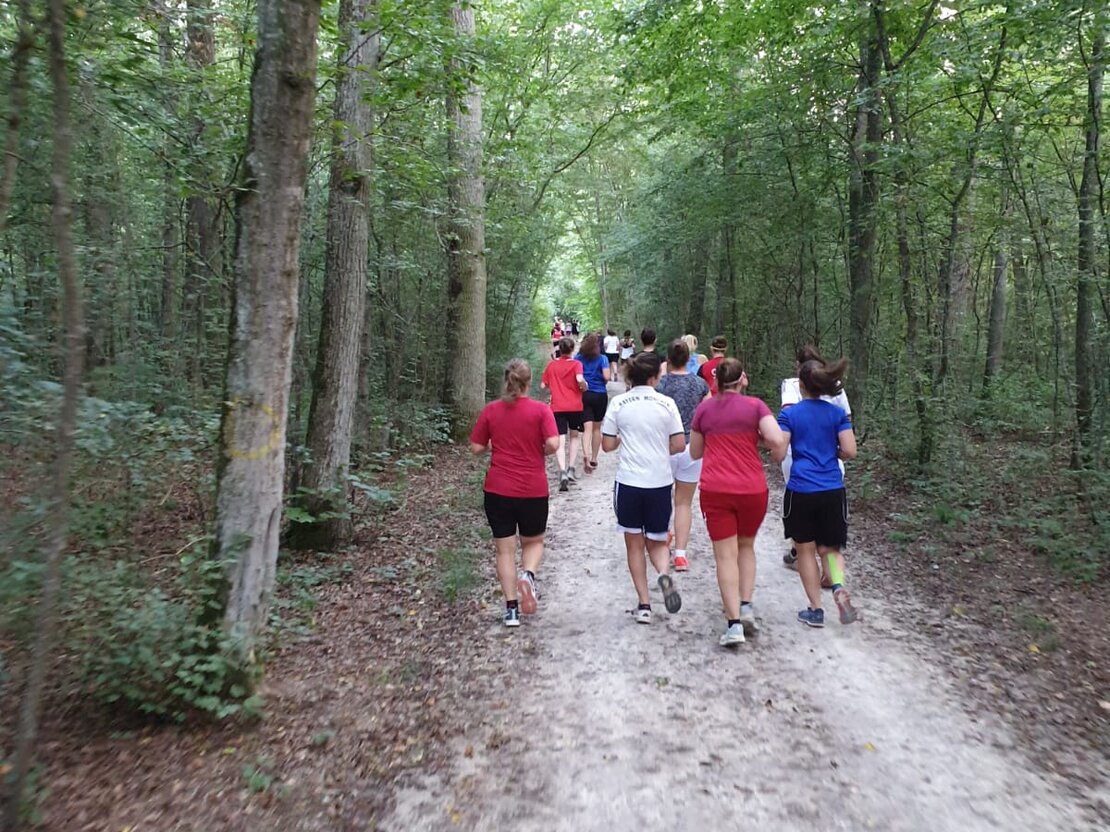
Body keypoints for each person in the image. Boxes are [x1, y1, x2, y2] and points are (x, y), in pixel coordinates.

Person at [689, 358, 786, 646]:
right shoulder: (756, 407)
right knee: (746, 547)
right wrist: (759, 440)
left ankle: (733, 626)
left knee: (724, 556)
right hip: (752, 489)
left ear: (716, 381)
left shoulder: (704, 409)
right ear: (742, 379)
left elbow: (695, 452)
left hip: (716, 489)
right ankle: (745, 607)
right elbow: (777, 439)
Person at [469, 360, 561, 627]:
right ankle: (528, 575)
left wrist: (493, 444)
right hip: (533, 488)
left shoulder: (491, 410)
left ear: (506, 380)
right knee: (533, 542)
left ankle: (511, 610)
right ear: (529, 382)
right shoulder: (541, 410)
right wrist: (538, 449)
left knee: (504, 551)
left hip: (498, 490)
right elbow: (553, 443)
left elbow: (476, 448)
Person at [601, 351, 685, 624]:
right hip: (659, 481)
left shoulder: (619, 403)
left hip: (629, 482)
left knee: (634, 545)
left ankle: (645, 605)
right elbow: (678, 444)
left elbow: (607, 445)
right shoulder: (667, 404)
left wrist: (623, 438)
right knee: (658, 541)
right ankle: (663, 574)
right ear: (654, 377)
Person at [778, 356, 860, 628]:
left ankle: (815, 609)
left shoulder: (790, 415)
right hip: (832, 489)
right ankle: (837, 586)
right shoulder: (837, 414)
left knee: (805, 550)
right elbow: (850, 450)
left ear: (801, 385)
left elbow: (780, 450)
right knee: (830, 548)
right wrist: (831, 452)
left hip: (801, 488)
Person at [656, 339, 709, 572]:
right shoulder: (700, 384)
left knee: (662, 498)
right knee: (684, 503)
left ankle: (663, 541)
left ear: (667, 360)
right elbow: (707, 413)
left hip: (665, 447)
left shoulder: (660, 384)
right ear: (689, 359)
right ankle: (680, 555)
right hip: (691, 448)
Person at [541, 336, 587, 491]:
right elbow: (579, 379)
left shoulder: (552, 365)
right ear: (572, 349)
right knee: (574, 436)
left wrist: (553, 387)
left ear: (559, 349)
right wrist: (584, 386)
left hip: (557, 407)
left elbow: (543, 386)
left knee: (560, 438)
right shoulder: (576, 364)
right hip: (575, 406)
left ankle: (562, 471)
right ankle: (571, 468)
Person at [574, 332, 611, 473]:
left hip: (584, 395)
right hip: (600, 395)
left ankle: (586, 455)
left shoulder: (578, 358)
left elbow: (575, 376)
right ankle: (594, 458)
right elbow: (607, 377)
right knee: (597, 429)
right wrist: (600, 377)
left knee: (587, 428)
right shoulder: (603, 359)